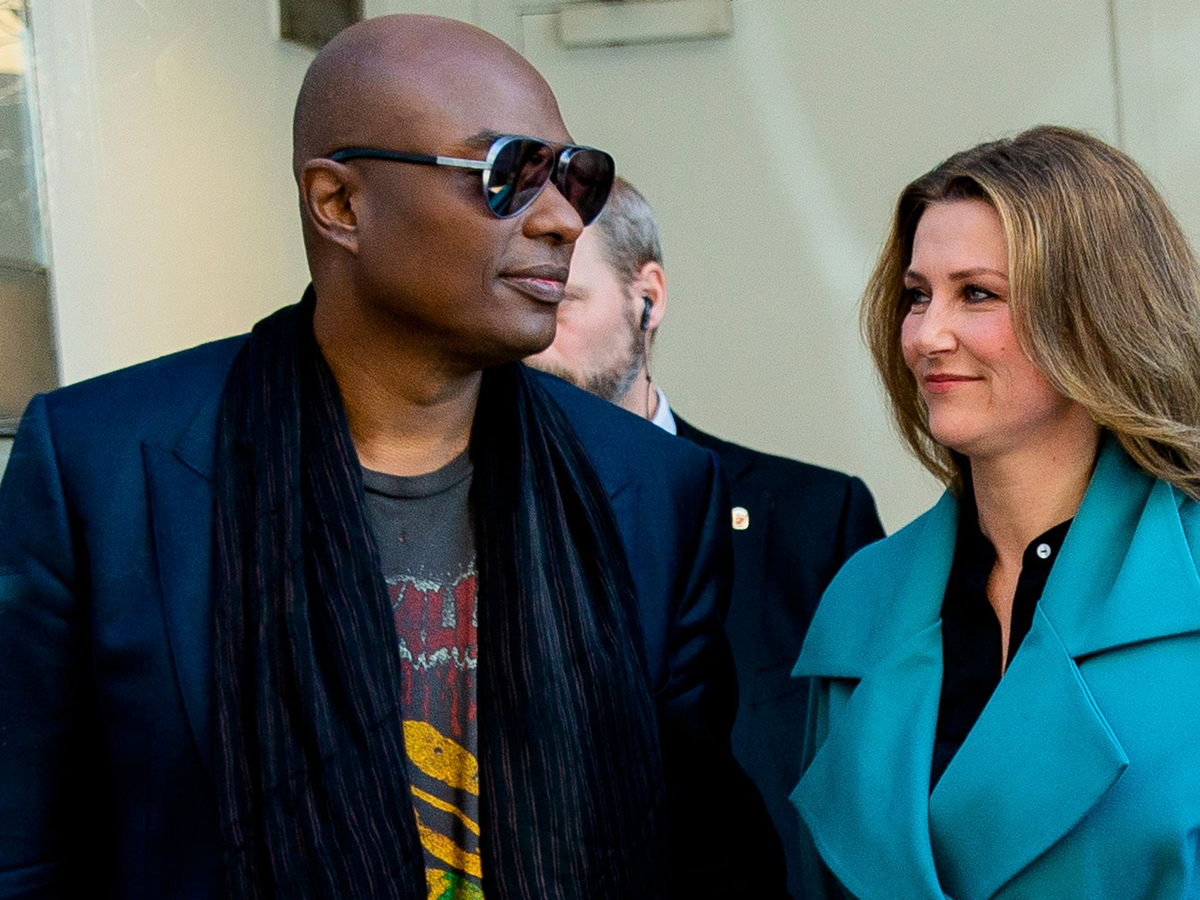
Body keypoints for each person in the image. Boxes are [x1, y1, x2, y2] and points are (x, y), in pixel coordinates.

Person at [0, 16, 788, 899]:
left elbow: (707, 857)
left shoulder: (650, 488)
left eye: (577, 178)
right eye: (509, 174)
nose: (564, 219)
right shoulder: (103, 469)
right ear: (339, 204)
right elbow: (25, 857)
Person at [791, 125, 1200, 900]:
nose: (927, 335)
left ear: (1095, 313)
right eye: (918, 295)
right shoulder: (861, 602)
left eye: (976, 293)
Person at [527, 177, 883, 898]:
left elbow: (873, 792)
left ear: (647, 297)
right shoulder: (452, 524)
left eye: (558, 302)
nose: (530, 344)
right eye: (518, 306)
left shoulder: (815, 520)